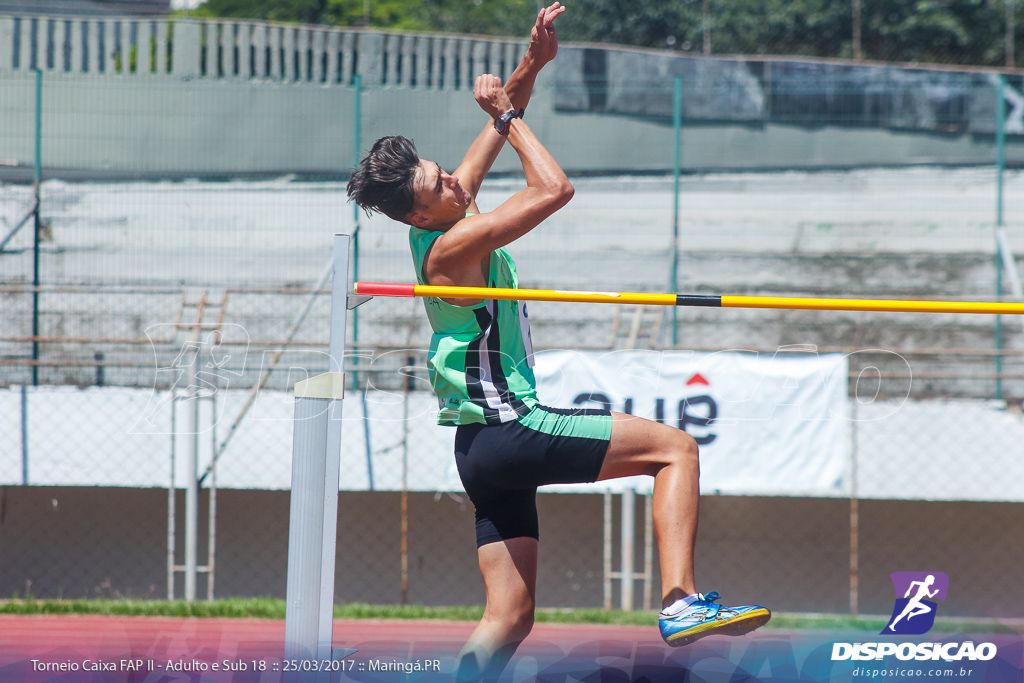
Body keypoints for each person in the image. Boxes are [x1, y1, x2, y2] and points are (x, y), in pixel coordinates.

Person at [347, 4, 770, 678]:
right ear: (423, 210)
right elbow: (554, 187)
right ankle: (681, 600)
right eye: (441, 181)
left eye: (443, 170)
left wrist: (530, 66)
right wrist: (512, 119)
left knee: (509, 616)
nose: (456, 178)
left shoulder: (436, 222)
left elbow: (487, 136)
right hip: (512, 427)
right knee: (676, 449)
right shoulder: (452, 245)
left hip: (478, 448)